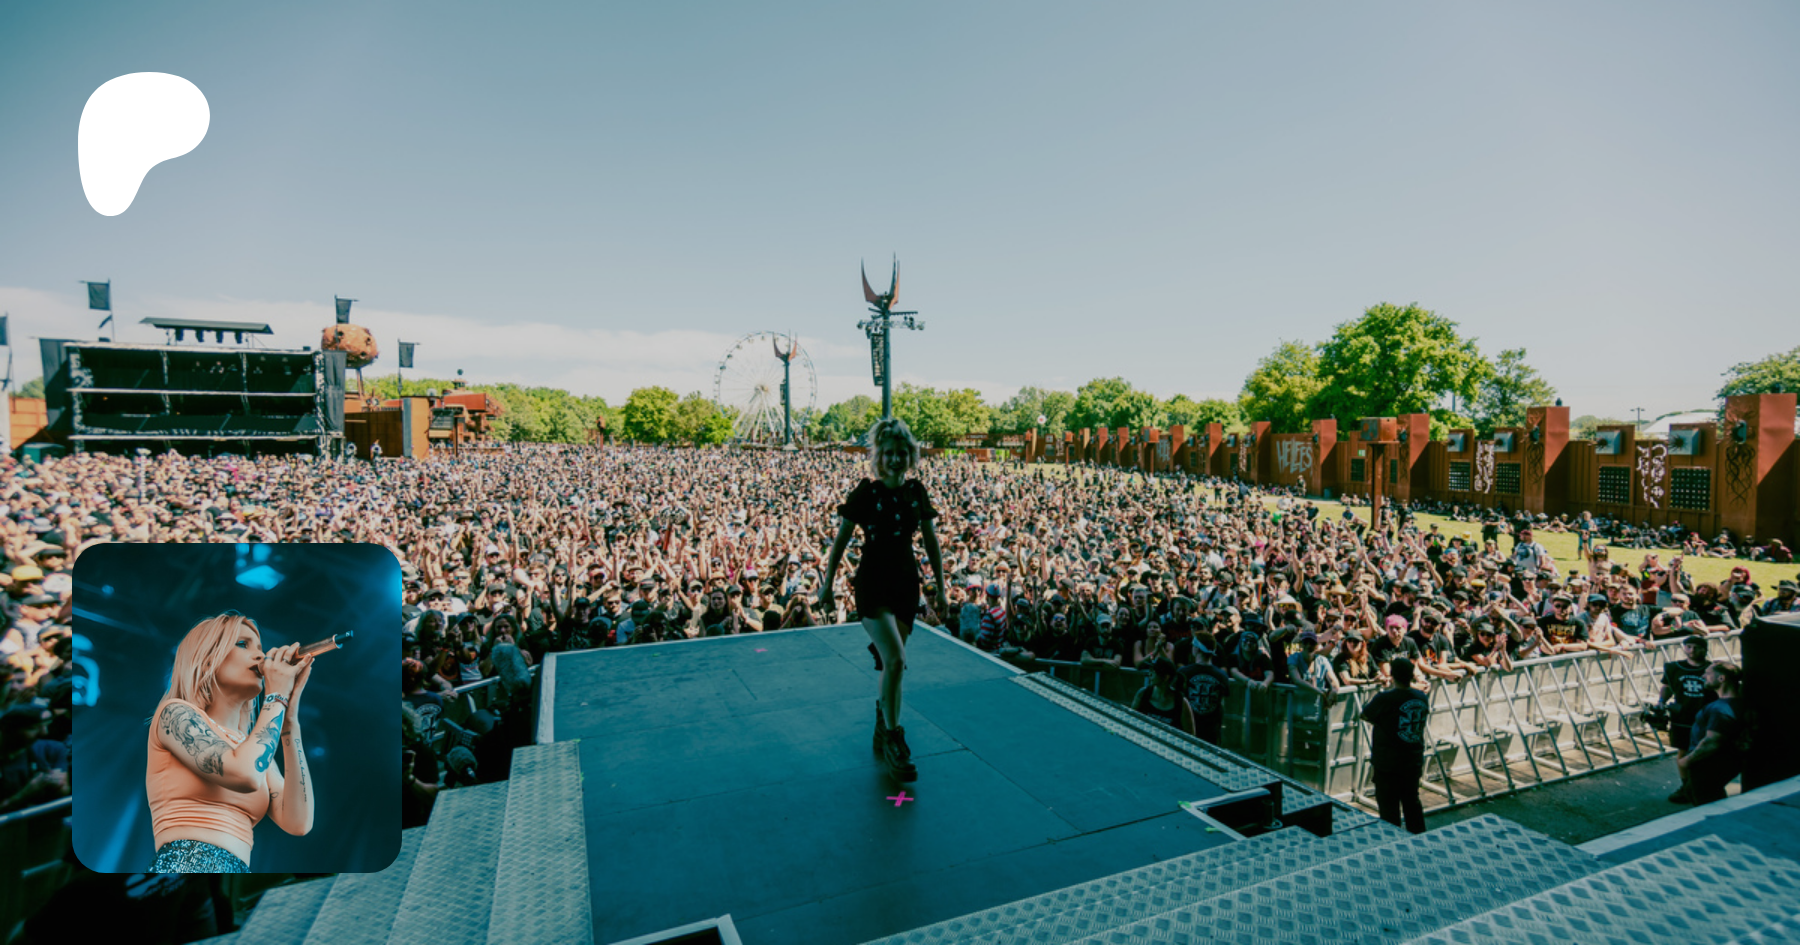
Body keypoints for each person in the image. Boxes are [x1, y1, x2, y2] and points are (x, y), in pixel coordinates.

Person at [820, 418, 947, 783]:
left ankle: (882, 722)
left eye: (901, 452)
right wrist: (827, 584)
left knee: (891, 666)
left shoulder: (916, 492)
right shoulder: (867, 493)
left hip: (906, 584)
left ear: (911, 455)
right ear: (879, 456)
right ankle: (894, 738)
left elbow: (931, 541)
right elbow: (841, 540)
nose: (895, 458)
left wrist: (940, 586)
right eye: (888, 452)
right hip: (873, 583)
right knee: (895, 660)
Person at [146, 613, 317, 872]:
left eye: (260, 647)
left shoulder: (251, 748)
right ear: (207, 660)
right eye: (243, 644)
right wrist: (276, 697)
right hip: (187, 861)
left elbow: (298, 822)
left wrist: (290, 726)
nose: (260, 656)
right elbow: (244, 774)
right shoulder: (175, 713)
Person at [1359, 657, 1430, 834]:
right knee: (1412, 802)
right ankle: (1419, 838)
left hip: (1388, 762)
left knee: (1389, 808)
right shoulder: (1421, 697)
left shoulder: (1385, 698)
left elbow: (1365, 715)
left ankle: (1392, 840)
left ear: (1392, 675)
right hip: (1412, 759)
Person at [1677, 663, 1747, 805]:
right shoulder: (1738, 703)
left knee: (1709, 803)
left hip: (1708, 765)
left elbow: (1712, 742)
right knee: (1693, 792)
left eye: (1708, 673)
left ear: (1721, 678)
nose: (1703, 676)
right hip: (1723, 763)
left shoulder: (1720, 709)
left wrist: (1687, 760)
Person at [1658, 634, 1715, 804]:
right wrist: (1661, 702)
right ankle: (1686, 786)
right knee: (1683, 750)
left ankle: (1703, 784)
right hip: (1682, 716)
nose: (1692, 651)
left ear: (1705, 649)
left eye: (1697, 647)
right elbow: (1667, 687)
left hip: (1706, 716)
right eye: (1689, 646)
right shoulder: (1674, 668)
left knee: (1705, 750)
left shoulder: (1712, 669)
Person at [1177, 639, 1231, 744]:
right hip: (1212, 728)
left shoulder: (1183, 672)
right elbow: (1223, 700)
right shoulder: (1222, 675)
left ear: (1197, 649)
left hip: (1186, 726)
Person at [1130, 658, 1197, 736]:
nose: (1150, 674)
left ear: (1166, 677)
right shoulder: (1143, 694)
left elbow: (1190, 735)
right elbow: (1131, 720)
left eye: (1154, 671)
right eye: (1150, 670)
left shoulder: (1181, 702)